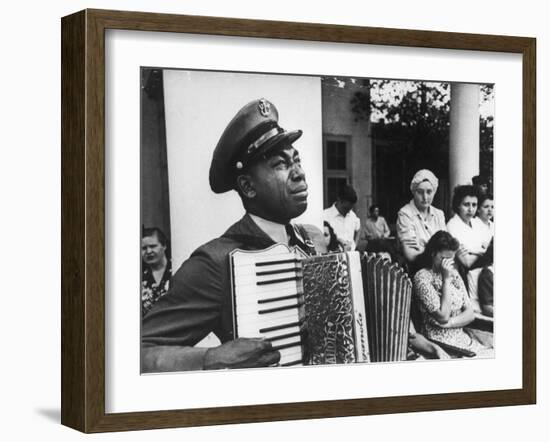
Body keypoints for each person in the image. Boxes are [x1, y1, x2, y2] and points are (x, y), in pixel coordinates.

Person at [141, 98, 321, 372]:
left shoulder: (311, 240)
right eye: (280, 164)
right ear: (248, 186)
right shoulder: (215, 262)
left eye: (297, 160)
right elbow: (138, 352)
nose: (299, 173)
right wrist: (211, 358)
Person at [413, 231, 492, 356]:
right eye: (444, 259)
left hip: (463, 338)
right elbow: (443, 316)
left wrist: (450, 323)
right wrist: (446, 280)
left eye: (451, 259)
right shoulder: (422, 278)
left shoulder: (453, 273)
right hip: (441, 343)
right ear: (433, 254)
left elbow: (470, 314)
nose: (448, 264)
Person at [396, 169, 446, 271]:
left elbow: (447, 248)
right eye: (420, 192)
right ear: (414, 192)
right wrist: (437, 250)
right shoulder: (405, 214)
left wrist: (423, 247)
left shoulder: (439, 214)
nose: (425, 197)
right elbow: (411, 255)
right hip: (417, 270)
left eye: (429, 192)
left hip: (440, 269)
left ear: (434, 191)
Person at [446, 185, 489, 270]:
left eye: (474, 205)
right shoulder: (452, 226)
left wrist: (474, 252)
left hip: (484, 269)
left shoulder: (477, 222)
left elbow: (488, 246)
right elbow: (467, 261)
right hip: (465, 273)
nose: (471, 209)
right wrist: (483, 251)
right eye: (466, 205)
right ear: (458, 205)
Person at [141, 227, 172, 316]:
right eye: (144, 248)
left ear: (164, 246)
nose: (148, 251)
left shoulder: (177, 271)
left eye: (153, 246)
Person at [323, 185, 361, 251]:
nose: (347, 211)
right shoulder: (325, 215)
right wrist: (338, 241)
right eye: (345, 208)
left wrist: (355, 244)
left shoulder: (352, 215)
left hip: (351, 254)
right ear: (339, 200)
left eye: (350, 208)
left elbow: (358, 228)